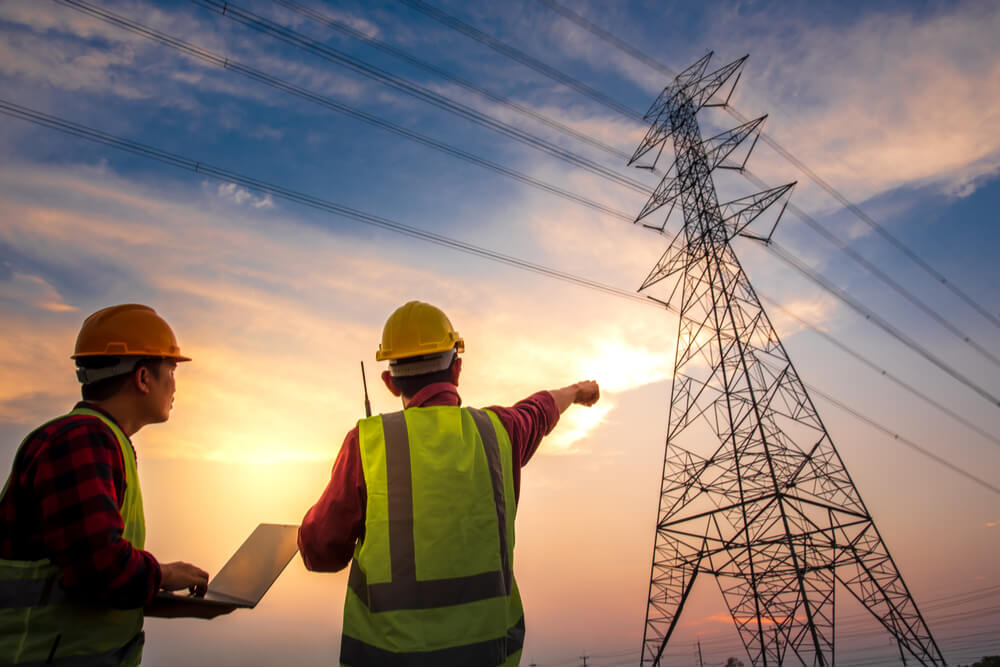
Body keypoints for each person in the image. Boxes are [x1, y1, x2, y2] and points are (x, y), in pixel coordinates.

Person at [299, 300, 600, 665]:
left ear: (389, 383)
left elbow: (320, 551)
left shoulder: (367, 444)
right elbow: (539, 410)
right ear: (457, 368)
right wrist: (576, 391)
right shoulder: (497, 433)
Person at [0, 304, 212, 665]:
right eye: (171, 370)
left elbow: (82, 563)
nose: (175, 384)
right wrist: (161, 574)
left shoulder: (98, 439)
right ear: (143, 378)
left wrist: (158, 586)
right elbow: (99, 567)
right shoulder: (81, 440)